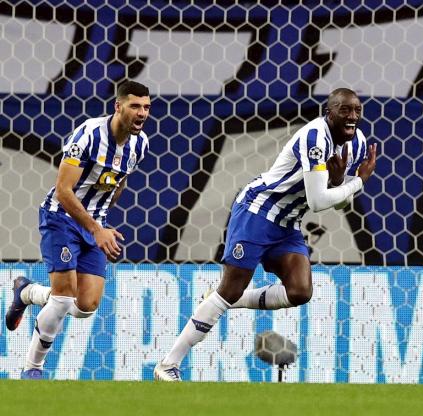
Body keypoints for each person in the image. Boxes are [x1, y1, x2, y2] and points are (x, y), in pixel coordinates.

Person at [154, 87, 377, 381]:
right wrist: (358, 182)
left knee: (299, 291)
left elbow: (338, 204)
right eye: (345, 110)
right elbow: (318, 201)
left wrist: (340, 182)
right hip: (258, 212)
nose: (353, 117)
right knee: (230, 286)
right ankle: (168, 365)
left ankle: (225, 299)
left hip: (288, 223)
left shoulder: (356, 144)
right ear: (329, 112)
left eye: (357, 110)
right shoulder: (315, 138)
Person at [5, 81, 151, 379]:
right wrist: (96, 228)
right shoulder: (88, 135)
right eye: (135, 106)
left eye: (147, 107)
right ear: (118, 106)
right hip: (61, 218)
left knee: (85, 306)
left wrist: (102, 222)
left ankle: (27, 292)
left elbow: (118, 181)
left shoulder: (140, 144)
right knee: (63, 297)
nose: (142, 113)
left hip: (92, 224)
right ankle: (33, 369)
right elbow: (63, 190)